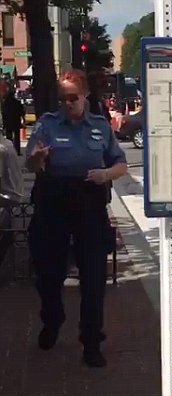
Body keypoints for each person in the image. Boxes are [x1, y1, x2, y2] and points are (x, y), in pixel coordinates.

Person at [25, 69, 127, 368]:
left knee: (94, 276)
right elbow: (31, 162)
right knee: (48, 273)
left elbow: (119, 162)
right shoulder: (47, 124)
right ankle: (53, 319)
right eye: (63, 98)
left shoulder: (99, 126)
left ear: (84, 97)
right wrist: (37, 159)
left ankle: (92, 340)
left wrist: (106, 175)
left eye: (73, 97)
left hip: (89, 202)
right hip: (53, 202)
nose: (68, 103)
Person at [2, 90, 26, 155]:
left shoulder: (5, 104)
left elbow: (3, 114)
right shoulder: (17, 103)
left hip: (8, 122)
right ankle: (17, 151)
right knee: (17, 138)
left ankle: (9, 151)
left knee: (9, 138)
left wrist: (4, 124)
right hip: (16, 122)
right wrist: (24, 120)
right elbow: (22, 112)